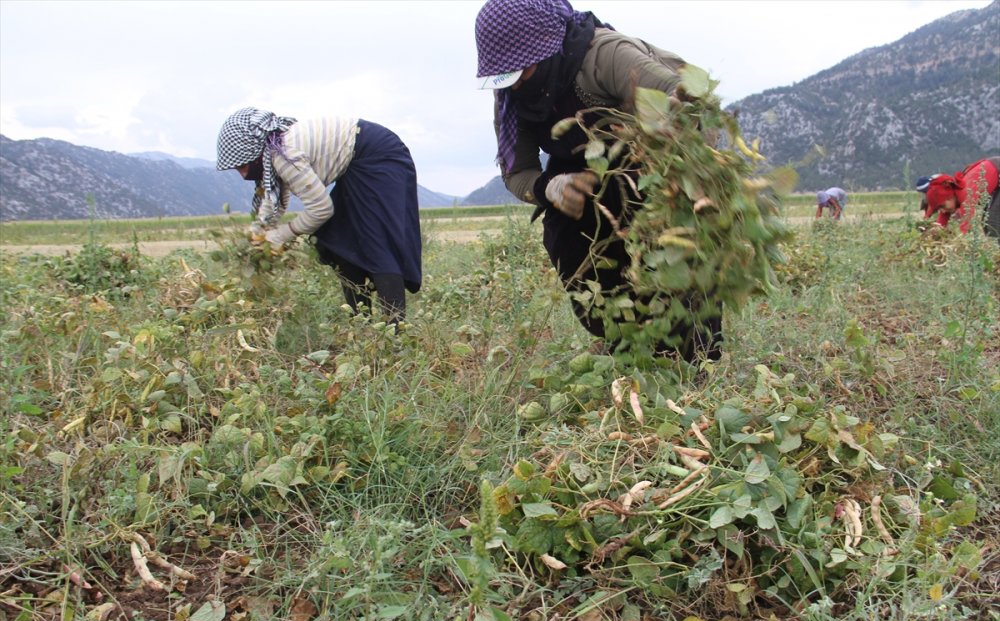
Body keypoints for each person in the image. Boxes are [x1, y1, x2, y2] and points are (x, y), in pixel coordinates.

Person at [474, 0, 722, 362]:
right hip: (582, 164)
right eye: (504, 76)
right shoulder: (512, 98)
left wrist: (672, 121)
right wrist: (550, 188)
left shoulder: (606, 55)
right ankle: (624, 342)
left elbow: (690, 105)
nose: (514, 85)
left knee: (671, 245)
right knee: (567, 237)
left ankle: (695, 357)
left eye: (520, 71)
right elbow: (516, 171)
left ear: (546, 46)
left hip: (653, 153)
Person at [216, 107, 422, 324]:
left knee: (377, 242)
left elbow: (321, 209)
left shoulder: (284, 154)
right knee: (338, 240)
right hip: (356, 163)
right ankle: (360, 323)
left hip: (379, 156)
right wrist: (257, 235)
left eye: (242, 166)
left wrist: (281, 235)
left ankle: (395, 330)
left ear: (254, 152)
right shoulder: (275, 151)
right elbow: (273, 200)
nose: (242, 174)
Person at [923, 157, 1000, 237]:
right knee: (987, 223)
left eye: (942, 206)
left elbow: (965, 228)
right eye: (938, 208)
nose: (943, 211)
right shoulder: (953, 196)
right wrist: (935, 231)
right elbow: (941, 222)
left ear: (949, 197)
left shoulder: (966, 196)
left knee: (993, 222)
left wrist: (958, 241)